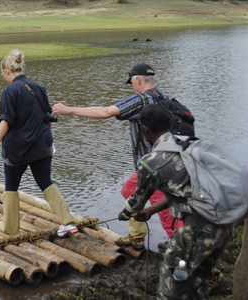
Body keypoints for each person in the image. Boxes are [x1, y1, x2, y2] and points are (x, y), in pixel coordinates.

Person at [52, 63, 182, 250]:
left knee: (165, 210)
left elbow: (106, 112)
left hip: (155, 166)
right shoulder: (161, 97)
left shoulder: (141, 99)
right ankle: (137, 236)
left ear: (137, 80)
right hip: (165, 161)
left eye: (132, 82)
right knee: (130, 189)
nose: (132, 86)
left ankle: (180, 245)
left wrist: (69, 109)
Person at [117, 104, 233, 299]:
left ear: (145, 130)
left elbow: (136, 202)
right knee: (197, 283)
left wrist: (125, 213)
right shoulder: (188, 144)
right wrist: (152, 209)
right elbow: (184, 191)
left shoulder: (151, 161)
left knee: (170, 284)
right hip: (225, 224)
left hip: (198, 230)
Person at [0, 50, 78, 238]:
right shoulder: (39, 87)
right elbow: (48, 116)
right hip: (42, 146)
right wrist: (48, 137)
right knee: (45, 182)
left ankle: (10, 229)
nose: (4, 78)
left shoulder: (10, 90)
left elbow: (6, 121)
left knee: (11, 187)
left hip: (18, 150)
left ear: (6, 71)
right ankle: (68, 221)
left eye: (3, 74)